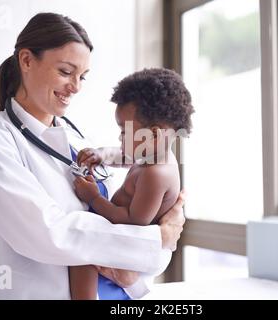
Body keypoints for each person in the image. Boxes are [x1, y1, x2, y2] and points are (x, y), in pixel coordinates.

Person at [0, 12, 185, 300]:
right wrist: (157, 239)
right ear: (26, 60)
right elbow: (49, 233)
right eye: (66, 72)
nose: (76, 87)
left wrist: (155, 244)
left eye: (82, 77)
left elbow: (142, 227)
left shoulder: (80, 139)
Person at [69, 68, 194, 299]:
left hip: (134, 247)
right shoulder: (152, 155)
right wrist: (101, 154)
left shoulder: (156, 173)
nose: (120, 138)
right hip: (131, 243)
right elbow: (125, 157)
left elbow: (134, 220)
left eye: (123, 130)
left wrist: (93, 197)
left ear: (154, 135)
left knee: (82, 256)